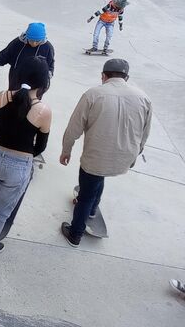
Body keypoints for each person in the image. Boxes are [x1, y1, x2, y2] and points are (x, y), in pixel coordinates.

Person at [60, 59, 152, 247]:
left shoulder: (93, 94)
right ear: (126, 77)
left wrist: (66, 150)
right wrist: (135, 154)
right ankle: (93, 210)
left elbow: (73, 129)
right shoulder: (144, 98)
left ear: (103, 76)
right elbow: (145, 133)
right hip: (124, 158)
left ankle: (75, 234)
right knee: (97, 179)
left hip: (95, 159)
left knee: (86, 192)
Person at [0, 57, 52, 256]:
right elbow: (41, 146)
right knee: (2, 209)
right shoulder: (43, 110)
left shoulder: (2, 97)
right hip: (18, 166)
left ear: (20, 75)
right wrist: (24, 157)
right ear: (44, 83)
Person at [0, 22, 55, 97]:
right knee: (13, 97)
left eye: (37, 41)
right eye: (31, 40)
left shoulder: (47, 47)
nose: (34, 43)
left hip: (36, 80)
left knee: (31, 100)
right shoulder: (18, 43)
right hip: (17, 76)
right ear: (27, 36)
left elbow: (50, 64)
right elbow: (5, 54)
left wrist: (46, 78)